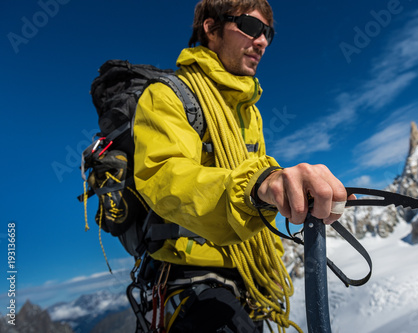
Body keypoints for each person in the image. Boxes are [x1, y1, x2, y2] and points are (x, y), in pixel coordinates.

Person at [133, 0, 352, 331]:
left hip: (251, 277)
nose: (262, 41)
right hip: (193, 275)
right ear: (211, 28)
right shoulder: (166, 96)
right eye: (250, 27)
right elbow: (163, 178)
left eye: (267, 33)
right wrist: (254, 186)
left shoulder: (249, 112)